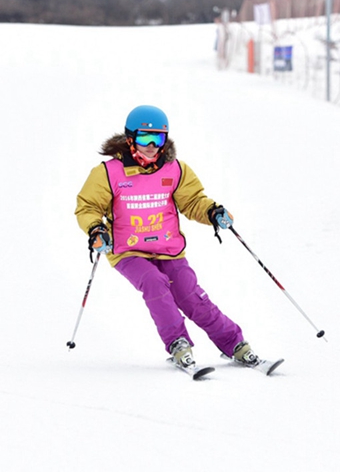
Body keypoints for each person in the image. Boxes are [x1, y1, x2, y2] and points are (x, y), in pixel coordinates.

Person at [74, 105, 259, 371]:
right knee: (154, 282)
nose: (151, 146)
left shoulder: (175, 170)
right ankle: (178, 343)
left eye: (158, 139)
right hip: (128, 251)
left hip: (169, 248)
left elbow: (193, 201)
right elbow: (88, 206)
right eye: (144, 138)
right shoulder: (108, 173)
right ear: (130, 139)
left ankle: (236, 344)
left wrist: (212, 212)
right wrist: (96, 229)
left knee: (190, 296)